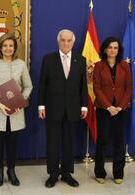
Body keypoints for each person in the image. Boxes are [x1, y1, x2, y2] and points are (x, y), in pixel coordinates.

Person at [38, 29, 88, 188]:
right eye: (63, 40)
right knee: (52, 143)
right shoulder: (48, 59)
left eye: (69, 41)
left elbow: (83, 86)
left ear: (73, 42)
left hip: (73, 109)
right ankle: (53, 174)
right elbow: (42, 84)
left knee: (69, 143)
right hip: (53, 108)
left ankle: (67, 173)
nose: (66, 43)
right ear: (58, 41)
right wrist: (41, 105)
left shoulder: (81, 60)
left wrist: (84, 105)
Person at [0, 33, 33, 186]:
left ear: (14, 48)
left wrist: (20, 100)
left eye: (11, 45)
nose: (8, 48)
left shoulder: (21, 64)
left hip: (16, 112)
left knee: (12, 144)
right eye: (5, 46)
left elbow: (28, 86)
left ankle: (11, 170)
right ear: (0, 47)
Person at [92, 37, 132, 185]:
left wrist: (120, 107)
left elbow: (128, 88)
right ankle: (100, 173)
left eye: (115, 48)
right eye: (110, 47)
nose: (112, 50)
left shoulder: (125, 66)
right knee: (102, 141)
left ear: (118, 50)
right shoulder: (98, 66)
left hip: (121, 110)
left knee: (119, 142)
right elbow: (97, 88)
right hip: (104, 109)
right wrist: (109, 106)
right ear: (104, 49)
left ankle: (118, 173)